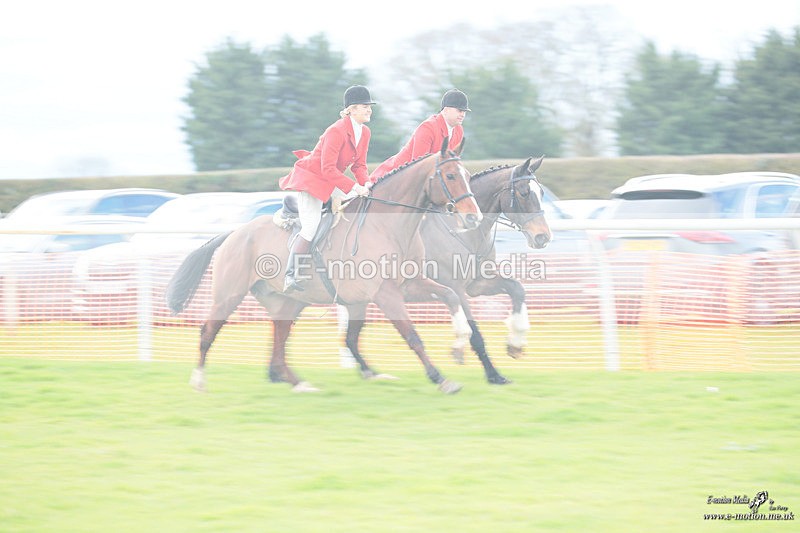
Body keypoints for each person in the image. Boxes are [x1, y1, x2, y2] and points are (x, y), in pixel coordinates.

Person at [278, 85, 374, 292]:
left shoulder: (365, 132)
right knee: (310, 227)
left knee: (361, 201)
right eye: (364, 107)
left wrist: (365, 184)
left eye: (369, 107)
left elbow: (359, 166)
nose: (369, 110)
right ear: (351, 109)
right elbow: (327, 169)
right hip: (312, 180)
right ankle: (290, 274)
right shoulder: (336, 131)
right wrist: (355, 187)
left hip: (331, 181)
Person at [369, 88, 470, 182]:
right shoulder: (428, 127)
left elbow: (451, 164)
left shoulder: (459, 130)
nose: (463, 114)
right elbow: (419, 165)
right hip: (396, 176)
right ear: (446, 110)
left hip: (428, 179)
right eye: (460, 110)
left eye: (464, 111)